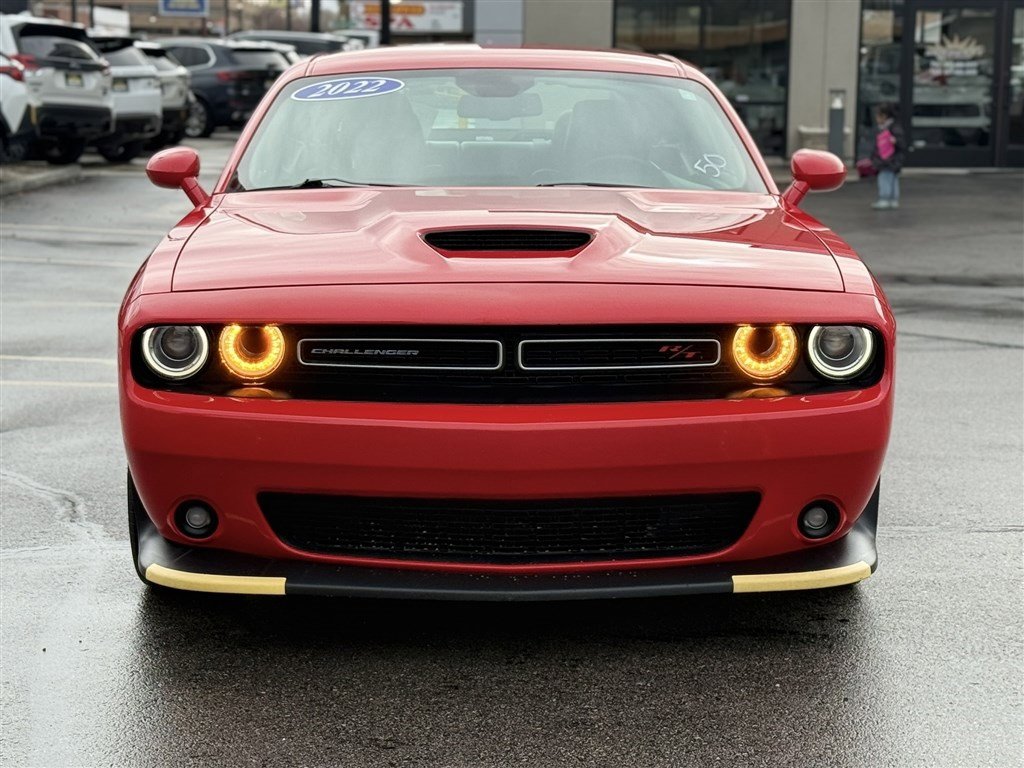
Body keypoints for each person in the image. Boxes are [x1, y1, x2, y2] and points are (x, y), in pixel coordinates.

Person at [871, 104, 905, 210]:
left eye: (878, 116)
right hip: (892, 160)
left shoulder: (891, 129)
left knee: (884, 178)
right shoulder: (892, 127)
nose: (876, 119)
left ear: (884, 116)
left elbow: (901, 143)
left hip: (888, 160)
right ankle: (893, 199)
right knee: (892, 179)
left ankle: (885, 198)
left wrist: (896, 142)